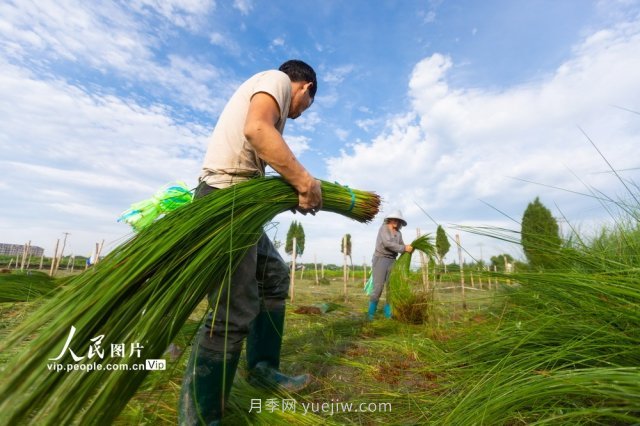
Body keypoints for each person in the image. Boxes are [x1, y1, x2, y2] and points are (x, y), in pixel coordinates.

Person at [179, 60, 322, 425]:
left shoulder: (269, 91)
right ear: (304, 88)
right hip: (224, 201)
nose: (301, 115)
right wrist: (304, 181)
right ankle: (201, 418)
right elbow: (257, 129)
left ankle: (261, 368)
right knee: (231, 312)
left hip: (239, 206)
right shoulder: (275, 80)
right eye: (306, 105)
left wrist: (290, 188)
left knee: (273, 276)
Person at [368, 210, 413, 320]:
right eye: (395, 219)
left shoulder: (398, 233)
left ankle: (388, 314)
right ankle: (370, 315)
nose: (396, 222)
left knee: (391, 288)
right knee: (378, 287)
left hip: (392, 260)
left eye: (399, 220)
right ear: (390, 219)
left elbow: (402, 246)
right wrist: (403, 248)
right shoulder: (384, 228)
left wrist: (409, 248)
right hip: (381, 259)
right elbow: (387, 244)